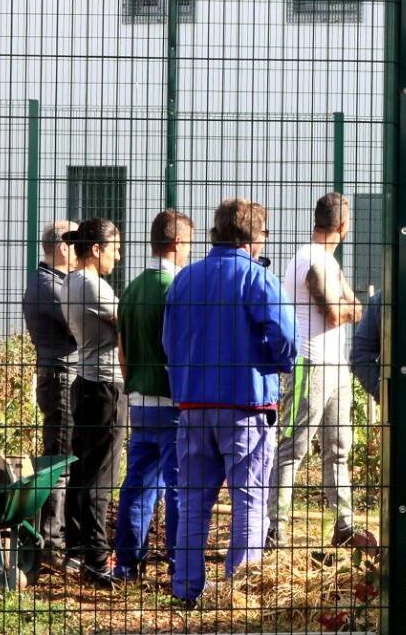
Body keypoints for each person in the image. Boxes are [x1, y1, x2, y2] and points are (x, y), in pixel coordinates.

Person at [162, 198, 298, 607]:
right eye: (265, 234)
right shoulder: (257, 279)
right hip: (245, 406)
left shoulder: (185, 279)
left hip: (192, 407)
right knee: (249, 500)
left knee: (193, 503)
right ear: (254, 236)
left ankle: (186, 590)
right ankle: (239, 592)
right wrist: (273, 362)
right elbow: (287, 339)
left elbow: (169, 341)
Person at [269, 193, 376, 551]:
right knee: (293, 446)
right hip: (309, 364)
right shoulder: (311, 260)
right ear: (344, 227)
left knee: (338, 447)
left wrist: (348, 306)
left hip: (335, 367)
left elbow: (352, 306)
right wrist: (348, 307)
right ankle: (275, 527)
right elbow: (337, 312)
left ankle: (344, 525)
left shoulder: (328, 261)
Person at [113, 209, 192, 581]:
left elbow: (122, 349)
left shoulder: (131, 287)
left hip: (139, 400)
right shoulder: (175, 288)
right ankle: (179, 564)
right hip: (173, 402)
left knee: (137, 485)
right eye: (188, 244)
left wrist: (132, 386)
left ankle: (127, 564)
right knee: (178, 487)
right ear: (176, 242)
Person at [62, 218, 125, 587]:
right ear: (97, 249)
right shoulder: (92, 286)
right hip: (105, 387)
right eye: (115, 248)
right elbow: (128, 320)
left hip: (84, 383)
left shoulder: (70, 281)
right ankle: (98, 559)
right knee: (102, 476)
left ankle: (76, 550)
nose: (118, 256)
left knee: (83, 473)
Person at [21, 219, 79, 561]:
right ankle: (51, 542)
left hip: (61, 375)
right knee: (60, 462)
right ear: (62, 247)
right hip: (60, 378)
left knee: (63, 457)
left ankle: (55, 535)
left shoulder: (53, 282)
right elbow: (79, 329)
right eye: (78, 244)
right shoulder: (49, 286)